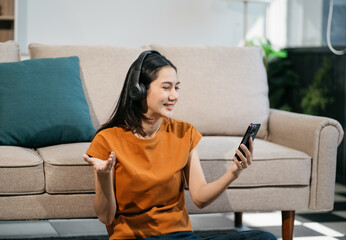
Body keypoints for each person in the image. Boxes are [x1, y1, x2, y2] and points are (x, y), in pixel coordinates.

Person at [83, 50, 276, 240]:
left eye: (177, 87)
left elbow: (200, 197)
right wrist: (103, 175)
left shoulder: (185, 133)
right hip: (134, 237)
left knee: (263, 238)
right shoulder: (107, 139)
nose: (174, 96)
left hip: (180, 236)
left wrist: (234, 172)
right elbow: (105, 217)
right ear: (139, 89)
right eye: (166, 88)